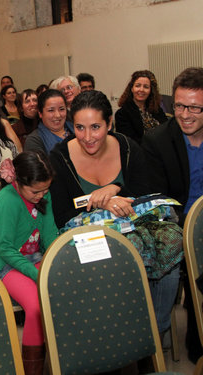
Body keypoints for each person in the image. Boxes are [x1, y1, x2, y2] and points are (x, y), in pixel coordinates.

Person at [49, 90, 181, 336]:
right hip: (86, 239)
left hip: (133, 228)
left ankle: (154, 331)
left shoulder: (128, 147)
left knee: (171, 248)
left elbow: (147, 191)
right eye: (80, 127)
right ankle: (119, 335)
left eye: (96, 127)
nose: (88, 137)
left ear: (109, 123)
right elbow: (61, 214)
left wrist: (115, 187)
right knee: (121, 258)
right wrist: (98, 201)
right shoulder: (59, 158)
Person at [141, 67, 203, 363]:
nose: (185, 114)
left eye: (194, 107)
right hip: (176, 226)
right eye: (179, 105)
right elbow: (158, 201)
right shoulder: (157, 140)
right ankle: (197, 346)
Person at [0, 151, 58, 375]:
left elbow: (50, 232)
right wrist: (39, 274)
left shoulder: (43, 193)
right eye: (36, 191)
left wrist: (54, 260)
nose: (42, 195)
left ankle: (61, 360)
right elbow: (5, 249)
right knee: (36, 306)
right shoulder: (7, 201)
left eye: (46, 189)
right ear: (18, 181)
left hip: (35, 258)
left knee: (60, 291)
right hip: (4, 264)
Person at [116, 70, 167, 144]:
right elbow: (130, 143)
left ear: (151, 91)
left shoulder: (157, 109)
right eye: (138, 86)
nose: (141, 90)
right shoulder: (122, 114)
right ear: (132, 88)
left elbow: (166, 130)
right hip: (140, 153)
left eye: (146, 87)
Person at [24, 89, 74, 154]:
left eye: (61, 109)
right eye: (51, 110)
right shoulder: (34, 140)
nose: (57, 115)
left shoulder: (76, 128)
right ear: (40, 113)